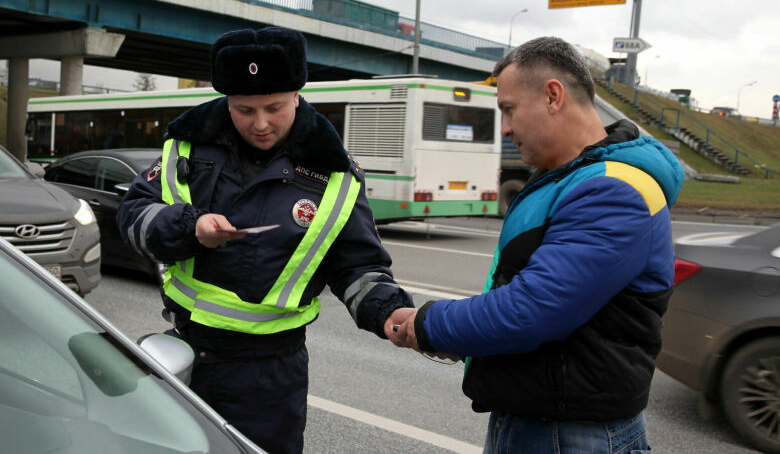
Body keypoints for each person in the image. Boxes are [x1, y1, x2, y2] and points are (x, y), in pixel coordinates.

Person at [117, 27, 414, 454]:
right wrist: (189, 228)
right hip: (184, 350)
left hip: (270, 375)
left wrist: (390, 310)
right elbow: (133, 216)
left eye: (274, 107)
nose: (260, 124)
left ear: (297, 94)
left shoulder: (335, 174)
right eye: (244, 110)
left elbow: (358, 266)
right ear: (226, 102)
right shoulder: (185, 148)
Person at [389, 36, 685, 453]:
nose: (505, 128)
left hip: (573, 435)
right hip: (542, 422)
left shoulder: (613, 190)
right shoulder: (567, 177)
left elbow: (532, 310)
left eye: (508, 110)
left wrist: (427, 325)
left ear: (552, 96)